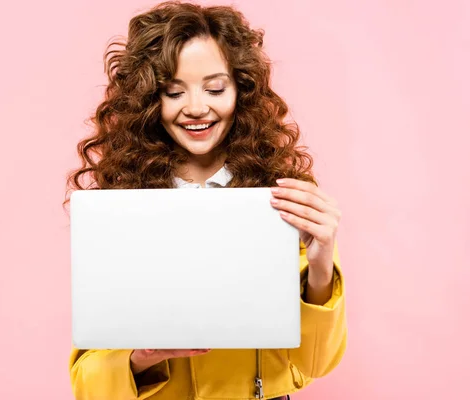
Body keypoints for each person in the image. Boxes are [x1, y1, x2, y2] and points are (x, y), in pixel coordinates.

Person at [64, 1, 347, 399]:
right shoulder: (119, 203)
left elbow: (317, 363)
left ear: (241, 89)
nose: (197, 108)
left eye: (215, 88)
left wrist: (320, 267)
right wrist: (141, 357)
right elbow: (88, 385)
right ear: (149, 100)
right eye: (173, 91)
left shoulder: (279, 193)